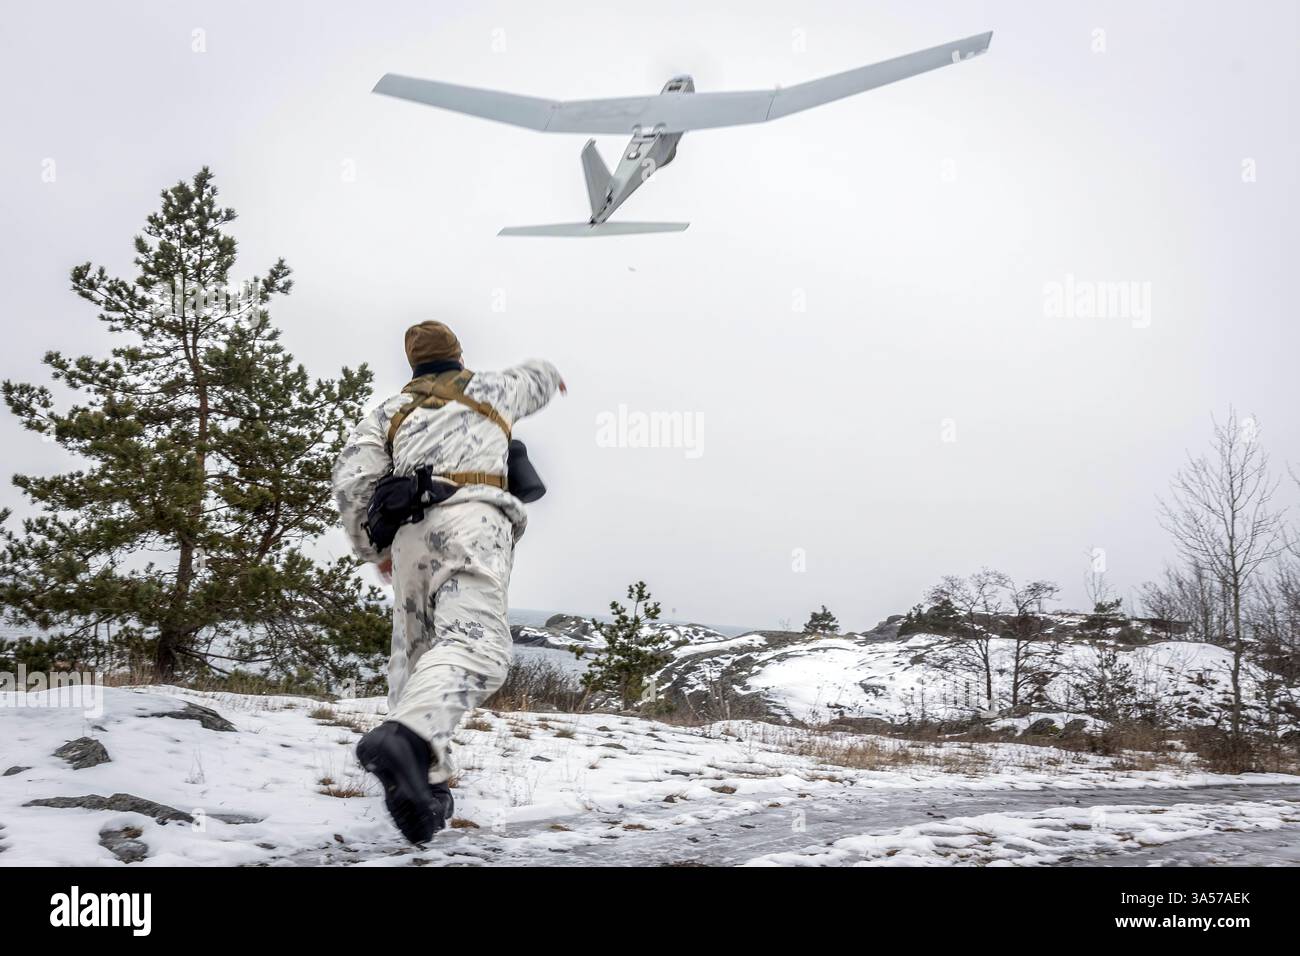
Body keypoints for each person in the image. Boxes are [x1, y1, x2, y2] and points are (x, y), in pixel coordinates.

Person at [331, 320, 564, 842]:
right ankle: (409, 739)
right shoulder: (493, 389)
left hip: (411, 534)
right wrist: (553, 379)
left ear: (412, 365)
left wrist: (375, 549)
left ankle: (427, 786)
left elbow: (351, 481)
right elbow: (540, 374)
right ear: (459, 356)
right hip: (473, 522)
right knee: (478, 647)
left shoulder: (389, 413)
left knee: (413, 655)